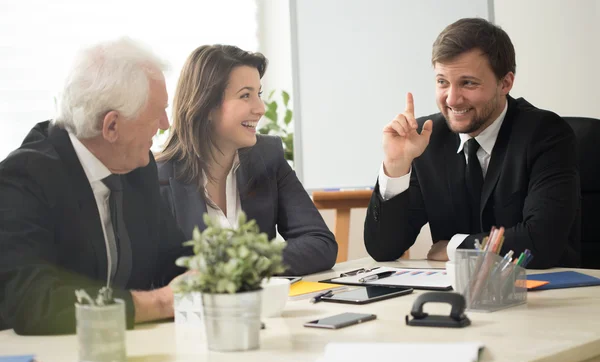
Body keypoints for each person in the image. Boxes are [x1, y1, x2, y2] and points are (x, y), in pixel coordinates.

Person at [0, 38, 188, 335]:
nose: (165, 123)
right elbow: (32, 300)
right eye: (157, 112)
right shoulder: (25, 178)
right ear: (111, 126)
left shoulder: (137, 165)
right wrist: (160, 303)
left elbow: (174, 256)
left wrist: (211, 273)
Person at [364, 18, 580, 269]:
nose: (452, 99)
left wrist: (456, 247)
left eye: (468, 83)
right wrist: (396, 167)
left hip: (546, 296)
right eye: (442, 82)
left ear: (505, 83)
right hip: (458, 296)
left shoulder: (546, 134)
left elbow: (540, 242)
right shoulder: (426, 138)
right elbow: (383, 249)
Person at [156, 45, 337, 275]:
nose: (260, 109)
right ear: (206, 105)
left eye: (258, 94)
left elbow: (320, 243)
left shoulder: (268, 157)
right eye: (245, 96)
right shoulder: (158, 178)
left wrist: (245, 264)